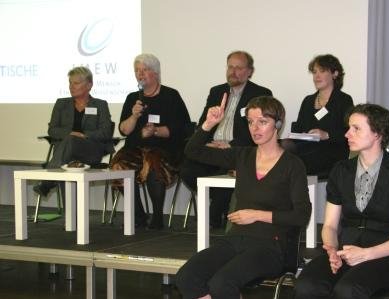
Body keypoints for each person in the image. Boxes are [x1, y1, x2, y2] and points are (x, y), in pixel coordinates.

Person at [176, 95, 311, 299]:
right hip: (236, 239)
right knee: (187, 276)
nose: (255, 128)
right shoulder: (242, 156)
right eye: (250, 122)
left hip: (271, 245)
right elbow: (192, 151)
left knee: (222, 282)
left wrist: (257, 215)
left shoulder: (292, 165)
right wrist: (208, 124)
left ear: (278, 125)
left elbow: (301, 215)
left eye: (262, 122)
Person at [294, 103, 389, 299]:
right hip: (346, 251)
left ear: (377, 133)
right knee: (306, 284)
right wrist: (331, 251)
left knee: (348, 290)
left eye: (356, 128)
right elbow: (329, 226)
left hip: (386, 256)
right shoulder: (341, 170)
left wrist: (366, 254)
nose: (347, 134)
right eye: (348, 128)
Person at [180, 50, 273, 228]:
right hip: (212, 147)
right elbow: (203, 123)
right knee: (188, 169)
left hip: (236, 149)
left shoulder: (260, 93)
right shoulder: (217, 91)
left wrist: (229, 144)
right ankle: (219, 206)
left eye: (239, 68)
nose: (233, 71)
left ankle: (215, 214)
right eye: (230, 67)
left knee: (226, 170)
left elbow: (258, 129)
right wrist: (206, 141)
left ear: (249, 71)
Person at [111, 53, 190, 230]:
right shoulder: (133, 98)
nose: (140, 74)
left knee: (152, 160)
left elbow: (182, 128)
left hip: (164, 149)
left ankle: (157, 216)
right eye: (137, 70)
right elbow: (123, 130)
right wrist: (134, 115)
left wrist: (156, 131)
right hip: (136, 148)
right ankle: (138, 214)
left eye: (144, 70)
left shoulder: (170, 95)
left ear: (155, 72)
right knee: (118, 164)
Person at [33, 66, 114, 196]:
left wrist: (83, 135)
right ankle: (70, 215)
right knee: (66, 161)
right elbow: (52, 130)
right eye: (70, 83)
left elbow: (106, 132)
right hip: (66, 155)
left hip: (89, 152)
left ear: (89, 85)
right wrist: (70, 134)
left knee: (70, 144)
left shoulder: (100, 105)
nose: (71, 86)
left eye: (76, 83)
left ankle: (47, 182)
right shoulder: (61, 104)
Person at [281, 54, 353, 175]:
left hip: (331, 150)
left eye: (322, 71)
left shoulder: (343, 100)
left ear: (335, 74)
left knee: (288, 153)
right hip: (306, 148)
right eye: (314, 72)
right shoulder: (308, 100)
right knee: (280, 144)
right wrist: (300, 135)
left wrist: (326, 134)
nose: (316, 76)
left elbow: (348, 132)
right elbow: (298, 127)